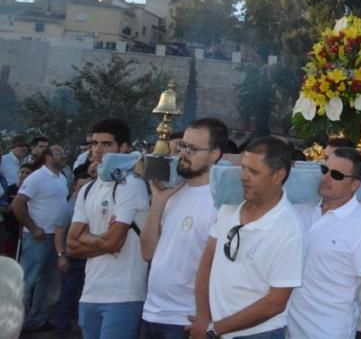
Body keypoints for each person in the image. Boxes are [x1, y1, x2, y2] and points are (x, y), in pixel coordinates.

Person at [189, 136, 304, 339]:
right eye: (243, 168)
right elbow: (207, 262)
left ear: (278, 176)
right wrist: (204, 320)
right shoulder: (229, 207)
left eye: (253, 172)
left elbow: (276, 302)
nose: (243, 177)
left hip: (258, 334)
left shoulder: (290, 229)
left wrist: (214, 329)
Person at [140, 118, 228, 339]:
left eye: (193, 149)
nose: (183, 153)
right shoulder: (171, 192)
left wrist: (205, 318)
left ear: (215, 154)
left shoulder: (220, 203)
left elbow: (218, 269)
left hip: (186, 320)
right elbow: (147, 252)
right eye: (182, 146)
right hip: (152, 312)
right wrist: (158, 202)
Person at [288, 146, 361, 339]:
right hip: (287, 328)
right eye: (324, 170)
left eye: (337, 175)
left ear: (355, 184)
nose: (326, 178)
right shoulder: (299, 210)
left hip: (329, 331)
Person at [68, 118, 151, 339]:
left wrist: (91, 238)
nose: (97, 150)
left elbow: (113, 242)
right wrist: (102, 241)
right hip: (90, 292)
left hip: (123, 294)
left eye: (106, 144)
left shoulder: (130, 185)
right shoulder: (88, 189)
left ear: (124, 148)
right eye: (94, 143)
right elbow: (71, 246)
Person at [11, 143, 69, 332]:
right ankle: (11, 323)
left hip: (56, 236)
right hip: (38, 238)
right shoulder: (37, 178)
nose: (63, 155)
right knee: (27, 280)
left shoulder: (62, 177)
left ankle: (37, 319)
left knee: (47, 281)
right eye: (58, 152)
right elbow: (18, 204)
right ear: (47, 157)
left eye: (62, 152)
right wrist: (33, 228)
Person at [53, 166, 92, 337]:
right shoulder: (68, 208)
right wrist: (61, 256)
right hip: (73, 260)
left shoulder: (95, 205)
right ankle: (61, 329)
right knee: (67, 295)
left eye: (87, 186)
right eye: (81, 187)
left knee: (87, 298)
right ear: (74, 188)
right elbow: (59, 232)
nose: (84, 190)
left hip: (92, 260)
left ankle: (86, 330)